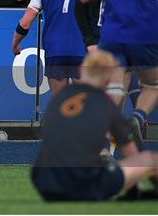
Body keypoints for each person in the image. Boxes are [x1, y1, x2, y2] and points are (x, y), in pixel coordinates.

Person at [80, 0, 158, 151]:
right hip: (144, 33)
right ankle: (137, 118)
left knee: (113, 90)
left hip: (113, 33)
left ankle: (103, 147)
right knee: (153, 85)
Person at [32, 50, 158, 201]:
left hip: (45, 185)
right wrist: (132, 184)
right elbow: (132, 155)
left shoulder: (59, 100)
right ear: (108, 78)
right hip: (86, 187)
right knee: (150, 159)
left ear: (80, 70)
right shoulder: (106, 104)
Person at [12, 0, 86, 96]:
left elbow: (25, 23)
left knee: (61, 104)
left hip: (55, 48)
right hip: (82, 47)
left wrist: (15, 44)